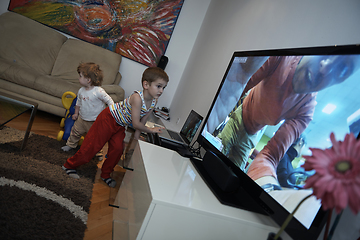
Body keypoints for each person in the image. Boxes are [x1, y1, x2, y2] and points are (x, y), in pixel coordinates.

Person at [215, 55, 360, 183]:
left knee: (234, 179)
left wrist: (269, 188)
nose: (325, 67)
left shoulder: (306, 110)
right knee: (215, 155)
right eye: (326, 55)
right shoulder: (281, 58)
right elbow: (239, 85)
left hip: (250, 137)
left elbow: (271, 156)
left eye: (342, 68)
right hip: (238, 118)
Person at [62, 67, 169, 187]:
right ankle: (69, 165)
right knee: (92, 146)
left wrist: (136, 138)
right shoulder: (137, 98)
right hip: (108, 119)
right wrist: (151, 130)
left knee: (117, 150)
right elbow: (135, 124)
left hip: (120, 125)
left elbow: (143, 119)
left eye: (164, 87)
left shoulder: (154, 101)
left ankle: (105, 174)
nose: (161, 90)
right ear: (146, 84)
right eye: (159, 86)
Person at [61, 62, 114, 154]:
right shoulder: (81, 90)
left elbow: (110, 101)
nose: (78, 78)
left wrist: (110, 114)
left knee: (95, 138)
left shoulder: (99, 91)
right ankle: (70, 145)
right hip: (81, 118)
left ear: (88, 79)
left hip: (94, 121)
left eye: (80, 76)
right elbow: (78, 103)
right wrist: (76, 113)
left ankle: (98, 152)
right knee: (75, 132)